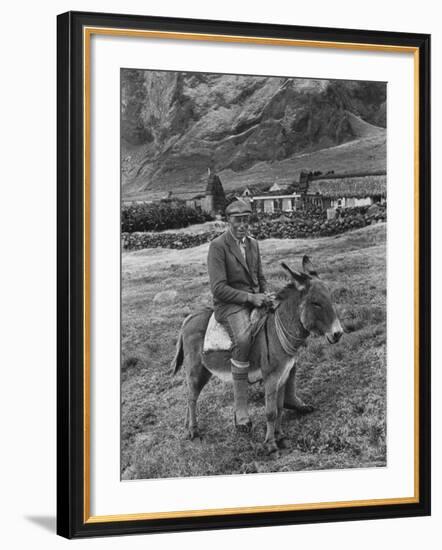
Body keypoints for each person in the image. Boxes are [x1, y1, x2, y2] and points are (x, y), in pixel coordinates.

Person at [207, 199, 270, 431]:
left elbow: (260, 276)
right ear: (228, 221)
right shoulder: (218, 246)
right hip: (229, 305)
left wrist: (264, 294)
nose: (242, 225)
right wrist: (250, 299)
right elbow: (218, 288)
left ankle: (289, 395)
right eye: (237, 220)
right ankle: (241, 409)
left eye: (246, 220)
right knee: (243, 339)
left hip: (254, 298)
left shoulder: (253, 244)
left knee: (284, 328)